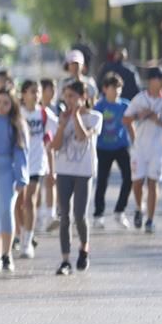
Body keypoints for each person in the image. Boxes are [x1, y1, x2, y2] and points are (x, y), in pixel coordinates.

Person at [49, 81, 101, 275]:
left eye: (72, 96)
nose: (68, 100)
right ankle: (65, 260)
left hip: (84, 172)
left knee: (80, 215)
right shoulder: (60, 118)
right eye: (66, 96)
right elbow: (54, 146)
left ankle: (84, 248)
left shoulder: (95, 117)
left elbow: (81, 136)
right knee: (64, 217)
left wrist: (76, 115)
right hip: (64, 170)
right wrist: (62, 125)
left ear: (83, 97)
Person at [0, 88, 29, 273]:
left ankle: (7, 254)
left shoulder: (16, 125)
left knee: (6, 211)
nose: (1, 106)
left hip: (7, 172)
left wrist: (21, 177)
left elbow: (21, 152)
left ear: (12, 105)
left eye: (6, 103)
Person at [124, 66, 162, 234]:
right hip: (140, 148)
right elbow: (126, 119)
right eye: (161, 80)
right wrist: (139, 116)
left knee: (153, 182)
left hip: (158, 147)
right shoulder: (139, 99)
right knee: (137, 182)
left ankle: (150, 220)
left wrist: (158, 120)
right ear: (151, 81)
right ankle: (139, 207)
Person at [16, 81, 56, 258]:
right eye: (33, 91)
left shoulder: (45, 114)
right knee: (18, 204)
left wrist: (52, 169)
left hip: (37, 164)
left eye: (38, 92)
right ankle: (21, 234)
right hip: (18, 163)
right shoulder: (17, 113)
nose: (36, 95)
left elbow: (50, 142)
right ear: (24, 94)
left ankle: (27, 242)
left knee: (30, 200)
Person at [92, 73, 133, 229]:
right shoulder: (99, 106)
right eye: (112, 88)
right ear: (105, 89)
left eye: (118, 88)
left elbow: (131, 125)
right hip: (103, 148)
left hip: (121, 146)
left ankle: (119, 211)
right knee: (102, 181)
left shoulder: (125, 105)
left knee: (129, 178)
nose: (116, 91)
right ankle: (98, 215)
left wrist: (135, 144)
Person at [39, 78, 60, 232]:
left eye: (54, 89)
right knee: (37, 185)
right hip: (38, 151)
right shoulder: (36, 110)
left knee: (51, 181)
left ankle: (50, 214)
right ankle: (39, 216)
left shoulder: (58, 108)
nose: (52, 92)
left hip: (53, 149)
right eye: (49, 89)